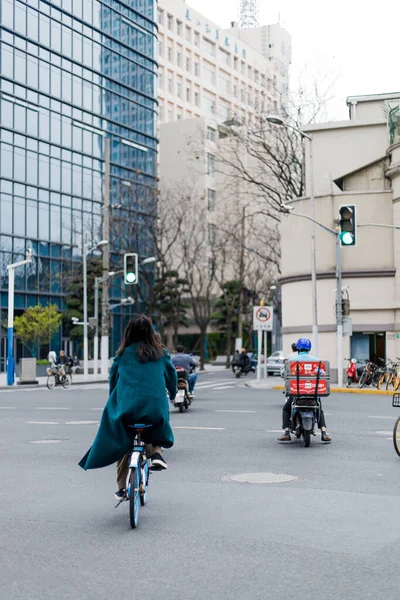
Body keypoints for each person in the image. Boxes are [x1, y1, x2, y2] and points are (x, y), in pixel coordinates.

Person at [79, 314, 178, 500]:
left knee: (123, 439)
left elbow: (113, 381)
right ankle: (156, 453)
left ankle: (121, 488)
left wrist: (114, 399)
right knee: (158, 416)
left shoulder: (122, 354)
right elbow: (171, 378)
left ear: (129, 333)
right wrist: (172, 395)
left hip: (126, 410)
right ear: (151, 332)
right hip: (154, 410)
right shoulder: (161, 353)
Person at [278, 337, 332, 443]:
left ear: (298, 348)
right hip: (313, 393)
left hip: (296, 392)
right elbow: (322, 374)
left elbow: (283, 373)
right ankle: (324, 432)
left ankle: (287, 432)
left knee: (286, 409)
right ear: (309, 348)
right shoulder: (317, 361)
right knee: (319, 408)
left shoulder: (291, 361)